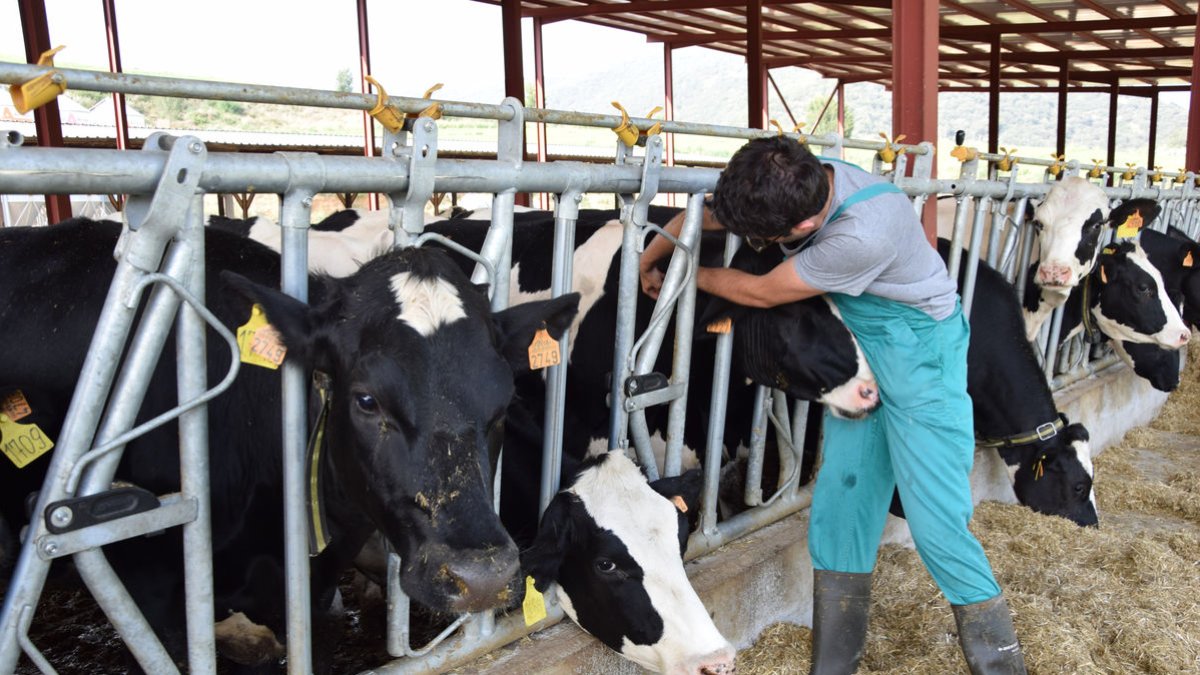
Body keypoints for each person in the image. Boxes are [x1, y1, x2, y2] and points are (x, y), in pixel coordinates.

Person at [639, 136, 1026, 675]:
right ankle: (833, 667)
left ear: (802, 226)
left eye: (765, 237)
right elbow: (708, 215)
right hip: (860, 354)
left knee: (937, 522)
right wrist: (649, 256)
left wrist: (686, 273)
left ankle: (1001, 667)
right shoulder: (790, 180)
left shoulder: (862, 233)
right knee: (840, 510)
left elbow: (763, 292)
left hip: (921, 357)